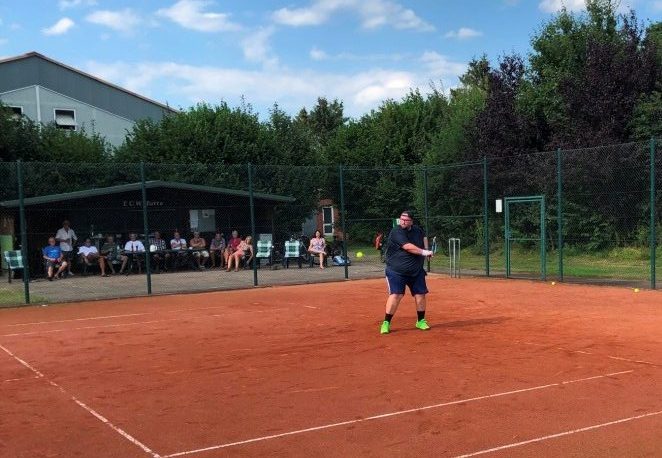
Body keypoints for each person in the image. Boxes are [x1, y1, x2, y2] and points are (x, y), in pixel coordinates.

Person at [380, 210, 433, 335]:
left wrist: (426, 248)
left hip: (416, 271)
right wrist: (425, 253)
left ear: (411, 222)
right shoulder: (396, 231)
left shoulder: (417, 230)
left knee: (420, 294)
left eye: (406, 220)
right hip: (396, 271)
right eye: (401, 219)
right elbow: (408, 247)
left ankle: (420, 321)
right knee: (396, 295)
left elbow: (423, 236)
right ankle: (386, 323)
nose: (403, 221)